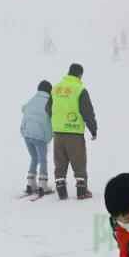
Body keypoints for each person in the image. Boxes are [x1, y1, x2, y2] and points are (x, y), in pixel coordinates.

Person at [47, 63, 98, 200]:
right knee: (79, 161)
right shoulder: (79, 89)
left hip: (58, 133)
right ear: (80, 74)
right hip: (74, 133)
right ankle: (82, 191)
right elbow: (87, 112)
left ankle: (61, 191)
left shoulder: (56, 88)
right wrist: (93, 129)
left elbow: (48, 108)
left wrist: (57, 119)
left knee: (60, 162)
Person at [20, 80, 54, 195]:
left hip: (27, 133)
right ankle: (43, 185)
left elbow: (23, 108)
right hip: (39, 135)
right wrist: (50, 135)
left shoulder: (32, 99)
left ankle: (30, 183)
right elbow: (51, 118)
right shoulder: (49, 102)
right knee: (42, 159)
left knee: (34, 158)